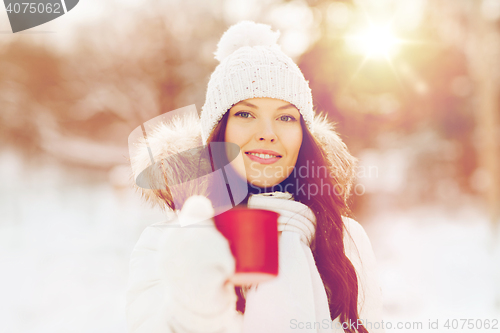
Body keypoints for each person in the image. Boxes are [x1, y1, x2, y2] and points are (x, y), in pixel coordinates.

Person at [126, 21, 385, 333]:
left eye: (286, 117)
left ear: (303, 136)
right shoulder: (170, 242)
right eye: (245, 114)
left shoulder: (345, 239)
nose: (267, 134)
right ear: (218, 133)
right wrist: (196, 308)